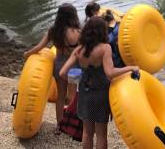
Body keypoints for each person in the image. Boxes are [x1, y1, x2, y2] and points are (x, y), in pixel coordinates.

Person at [59, 17, 138, 149]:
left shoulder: (79, 50)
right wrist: (130, 68)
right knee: (101, 134)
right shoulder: (105, 48)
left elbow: (62, 73)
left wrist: (78, 79)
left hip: (84, 94)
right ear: (102, 31)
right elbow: (110, 73)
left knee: (87, 132)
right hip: (101, 95)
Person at [24, 3, 81, 128]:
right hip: (74, 68)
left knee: (60, 96)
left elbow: (40, 46)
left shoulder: (53, 31)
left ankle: (59, 125)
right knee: (72, 96)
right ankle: (70, 125)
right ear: (74, 16)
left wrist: (27, 54)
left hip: (59, 65)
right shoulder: (77, 32)